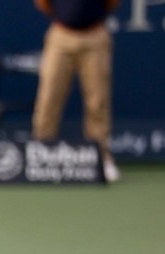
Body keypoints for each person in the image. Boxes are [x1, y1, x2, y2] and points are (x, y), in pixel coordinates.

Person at [31, 0, 121, 182]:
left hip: (95, 36)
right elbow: (42, 3)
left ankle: (101, 159)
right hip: (60, 35)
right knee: (48, 99)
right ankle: (40, 156)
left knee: (98, 102)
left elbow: (112, 2)